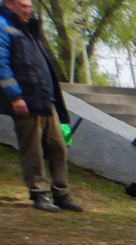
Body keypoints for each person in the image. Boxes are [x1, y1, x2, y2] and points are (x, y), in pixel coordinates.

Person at [0, 0, 82, 213]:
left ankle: (61, 193)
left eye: (29, 6)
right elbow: (1, 64)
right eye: (23, 5)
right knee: (33, 149)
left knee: (58, 146)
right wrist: (15, 97)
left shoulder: (28, 28)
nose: (28, 9)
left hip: (45, 99)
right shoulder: (2, 24)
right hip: (26, 100)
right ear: (8, 3)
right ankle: (39, 193)